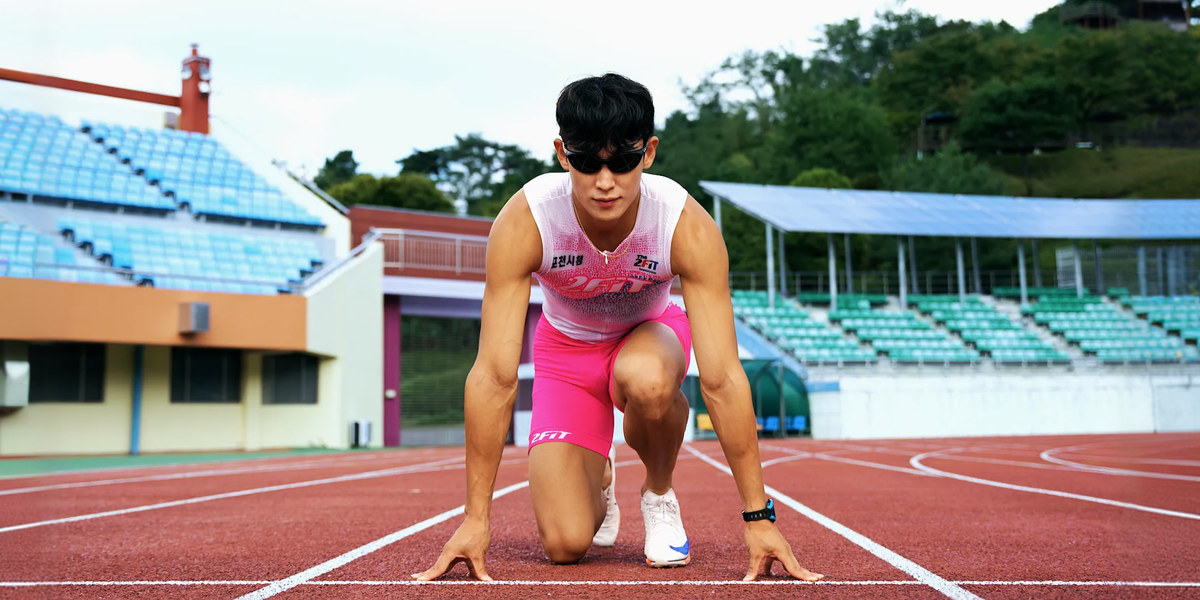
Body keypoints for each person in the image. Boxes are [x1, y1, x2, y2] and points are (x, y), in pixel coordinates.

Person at [415, 73, 823, 582]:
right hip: (566, 356)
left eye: (622, 161)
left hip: (650, 338)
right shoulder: (527, 220)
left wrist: (758, 517)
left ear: (648, 153)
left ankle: (657, 492)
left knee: (647, 380)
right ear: (563, 155)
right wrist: (476, 518)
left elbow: (722, 376)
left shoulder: (683, 223)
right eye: (588, 162)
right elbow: (493, 375)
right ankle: (601, 473)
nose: (605, 181)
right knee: (564, 546)